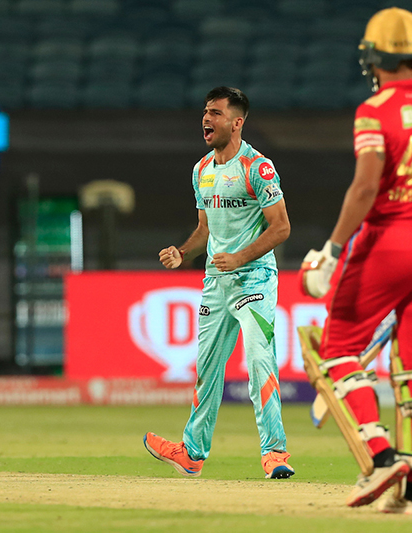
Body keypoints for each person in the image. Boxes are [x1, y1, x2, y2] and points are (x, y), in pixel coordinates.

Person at [300, 8, 412, 514]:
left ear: (372, 58)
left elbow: (366, 187)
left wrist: (331, 248)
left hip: (389, 241)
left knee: (338, 347)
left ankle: (380, 455)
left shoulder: (374, 111)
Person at [144, 86, 294, 480]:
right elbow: (204, 230)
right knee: (207, 369)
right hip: (216, 282)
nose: (206, 119)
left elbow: (281, 227)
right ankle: (191, 453)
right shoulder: (201, 171)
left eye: (215, 113)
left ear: (237, 122)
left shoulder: (257, 168)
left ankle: (275, 453)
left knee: (259, 360)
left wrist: (241, 257)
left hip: (254, 280)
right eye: (205, 112)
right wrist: (182, 253)